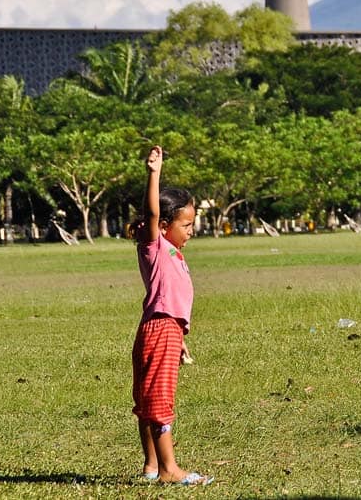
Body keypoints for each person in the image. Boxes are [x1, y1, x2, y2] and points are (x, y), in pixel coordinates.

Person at [130, 145, 212, 486]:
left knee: (149, 399)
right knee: (159, 401)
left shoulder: (173, 252)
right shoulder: (156, 246)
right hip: (159, 329)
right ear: (164, 226)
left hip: (165, 330)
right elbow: (150, 214)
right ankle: (169, 470)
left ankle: (151, 466)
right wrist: (154, 173)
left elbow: (173, 303)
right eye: (186, 224)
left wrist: (179, 340)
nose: (191, 230)